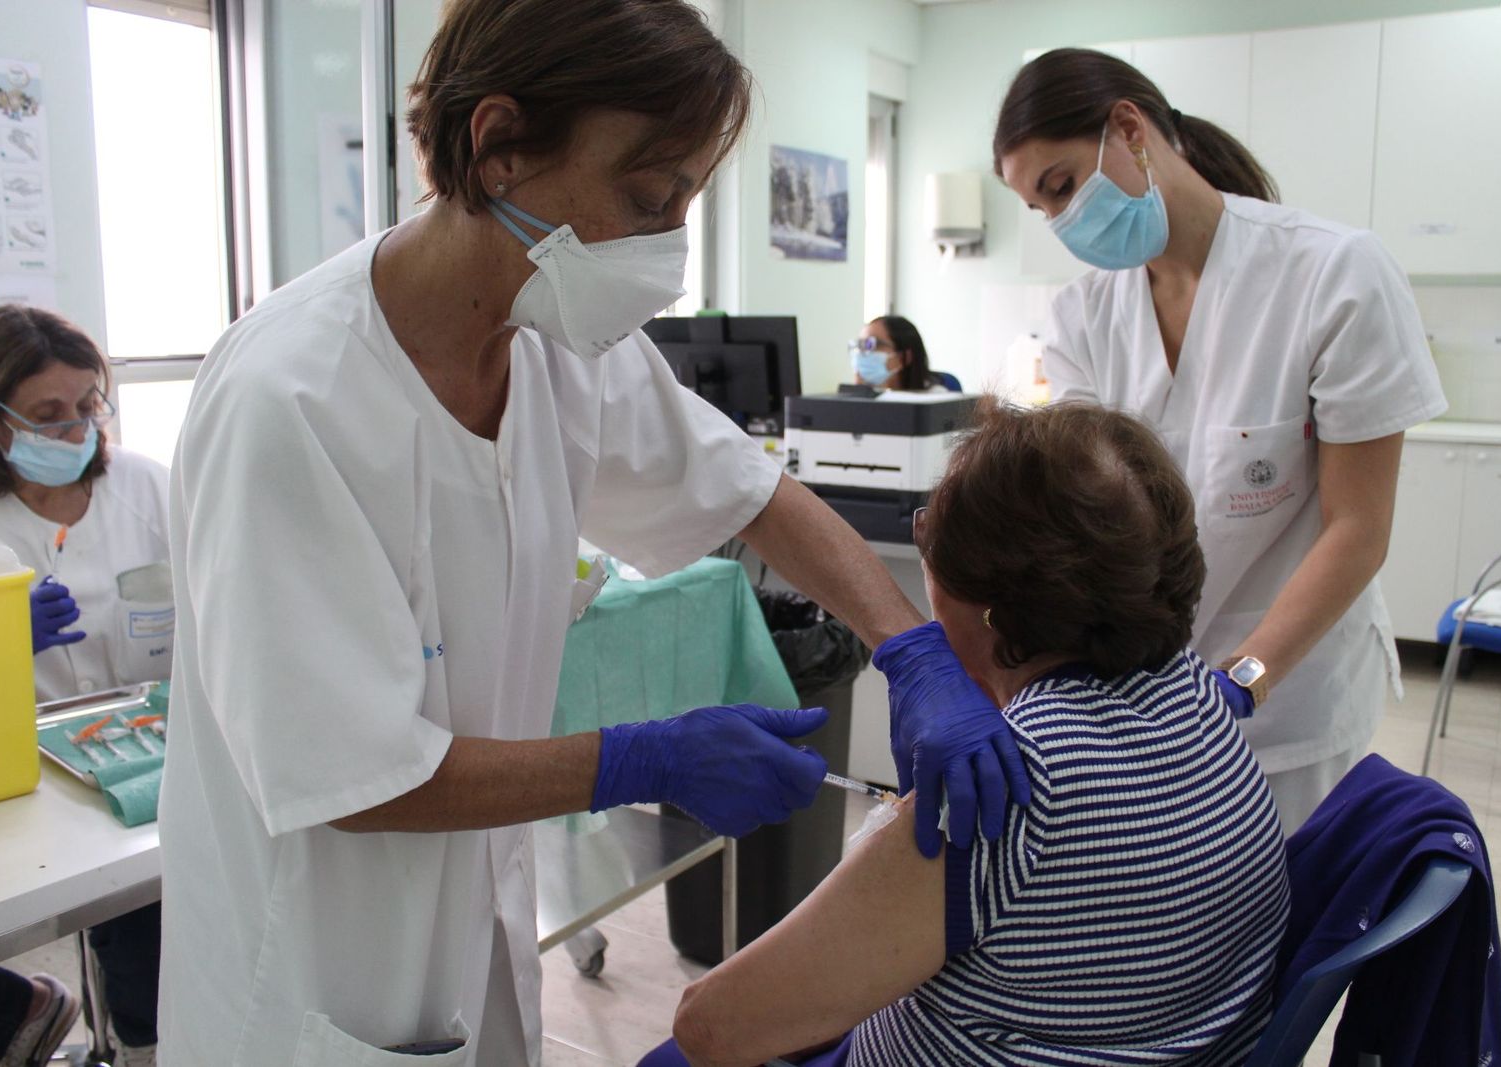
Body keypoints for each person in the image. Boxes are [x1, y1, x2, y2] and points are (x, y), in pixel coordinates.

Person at [155, 2, 1026, 1063]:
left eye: (688, 200)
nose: (671, 246)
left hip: (471, 925)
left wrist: (912, 649)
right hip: (310, 968)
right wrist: (639, 757)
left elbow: (745, 490)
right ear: (499, 146)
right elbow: (357, 777)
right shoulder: (289, 402)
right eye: (649, 195)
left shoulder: (558, 335)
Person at [640, 401, 1290, 1067]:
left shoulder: (1006, 787)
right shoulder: (1198, 695)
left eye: (929, 540)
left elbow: (713, 1026)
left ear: (988, 607)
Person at [993, 48, 1448, 832]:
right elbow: (1085, 515)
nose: (1065, 224)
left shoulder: (1334, 274)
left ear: (1130, 130)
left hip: (1292, 704)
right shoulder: (1083, 318)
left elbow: (1358, 528)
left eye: (1064, 187)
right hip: (1148, 700)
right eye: (1043, 210)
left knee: (1285, 928)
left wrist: (1242, 680)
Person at [0, 303, 166, 1066]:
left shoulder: (147, 487)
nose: (74, 430)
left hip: (147, 751)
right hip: (24, 781)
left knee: (149, 926)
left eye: (86, 405)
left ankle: (142, 1041)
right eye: (46, 415)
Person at [848, 315, 949, 392]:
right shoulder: (865, 398)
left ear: (904, 358)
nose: (861, 354)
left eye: (870, 344)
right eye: (860, 345)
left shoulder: (935, 400)